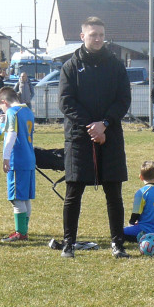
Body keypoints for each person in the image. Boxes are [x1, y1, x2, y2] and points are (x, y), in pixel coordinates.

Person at [57, 16, 132, 259]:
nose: (98, 39)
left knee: (114, 193)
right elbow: (66, 102)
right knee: (73, 191)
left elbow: (123, 100)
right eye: (93, 35)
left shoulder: (116, 65)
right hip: (79, 138)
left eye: (101, 34)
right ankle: (69, 243)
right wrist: (91, 126)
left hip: (110, 136)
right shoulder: (70, 66)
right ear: (82, 37)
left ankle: (117, 244)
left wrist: (105, 124)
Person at [0, 87, 36, 242]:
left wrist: (6, 157)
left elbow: (11, 135)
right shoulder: (28, 111)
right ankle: (23, 230)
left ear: (4, 102)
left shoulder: (12, 112)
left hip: (17, 159)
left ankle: (20, 233)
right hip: (29, 158)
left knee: (16, 197)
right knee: (25, 197)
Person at [123, 160, 154, 243]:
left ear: (141, 177)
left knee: (118, 232)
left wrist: (131, 223)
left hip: (146, 230)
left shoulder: (142, 192)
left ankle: (142, 238)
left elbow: (136, 213)